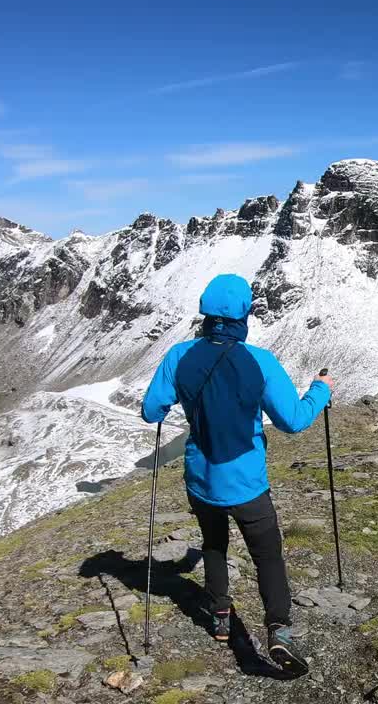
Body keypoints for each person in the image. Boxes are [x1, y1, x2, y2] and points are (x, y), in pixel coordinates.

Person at [141, 273, 332, 674]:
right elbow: (293, 421)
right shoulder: (259, 361)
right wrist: (321, 390)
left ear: (205, 312)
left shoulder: (179, 356)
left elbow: (151, 411)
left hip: (201, 478)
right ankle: (278, 630)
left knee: (213, 543)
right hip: (247, 483)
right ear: (246, 313)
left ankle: (220, 616)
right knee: (267, 556)